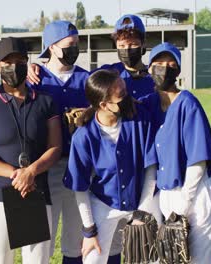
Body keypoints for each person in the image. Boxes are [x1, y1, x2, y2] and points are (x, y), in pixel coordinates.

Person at [0, 37, 62, 264]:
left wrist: (31, 172)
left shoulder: (44, 102)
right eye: (8, 62)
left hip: (35, 191)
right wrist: (16, 174)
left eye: (20, 60)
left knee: (37, 260)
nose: (14, 66)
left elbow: (55, 147)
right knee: (0, 260)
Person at [63, 69, 162, 263]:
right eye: (122, 96)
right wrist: (89, 230)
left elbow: (151, 167)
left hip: (143, 198)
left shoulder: (139, 118)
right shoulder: (83, 136)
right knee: (92, 257)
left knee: (152, 258)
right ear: (103, 105)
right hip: (104, 203)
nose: (128, 98)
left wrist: (143, 212)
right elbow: (80, 188)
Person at [141, 42, 211, 263]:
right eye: (158, 63)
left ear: (178, 70)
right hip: (167, 195)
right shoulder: (149, 104)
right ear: (149, 69)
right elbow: (116, 102)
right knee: (170, 258)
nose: (164, 69)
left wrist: (182, 207)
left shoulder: (188, 103)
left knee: (200, 259)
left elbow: (199, 163)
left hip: (196, 193)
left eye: (171, 64)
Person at [27, 20, 89, 264]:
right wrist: (30, 66)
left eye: (76, 44)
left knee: (75, 239)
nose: (74, 49)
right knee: (41, 241)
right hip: (44, 167)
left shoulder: (87, 79)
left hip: (79, 166)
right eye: (69, 44)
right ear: (51, 47)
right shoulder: (36, 79)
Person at [27, 14, 154, 101]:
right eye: (121, 45)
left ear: (143, 44)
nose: (127, 49)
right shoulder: (108, 74)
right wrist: (32, 67)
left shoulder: (155, 76)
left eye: (133, 44)